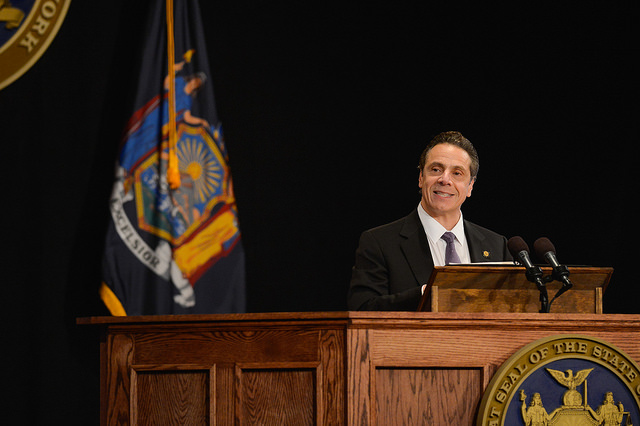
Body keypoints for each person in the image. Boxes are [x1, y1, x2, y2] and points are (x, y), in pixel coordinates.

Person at [347, 131, 511, 311]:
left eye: (457, 173)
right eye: (436, 170)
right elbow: (362, 309)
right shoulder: (379, 242)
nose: (445, 179)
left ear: (470, 186)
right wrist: (427, 294)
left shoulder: (497, 245)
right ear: (421, 178)